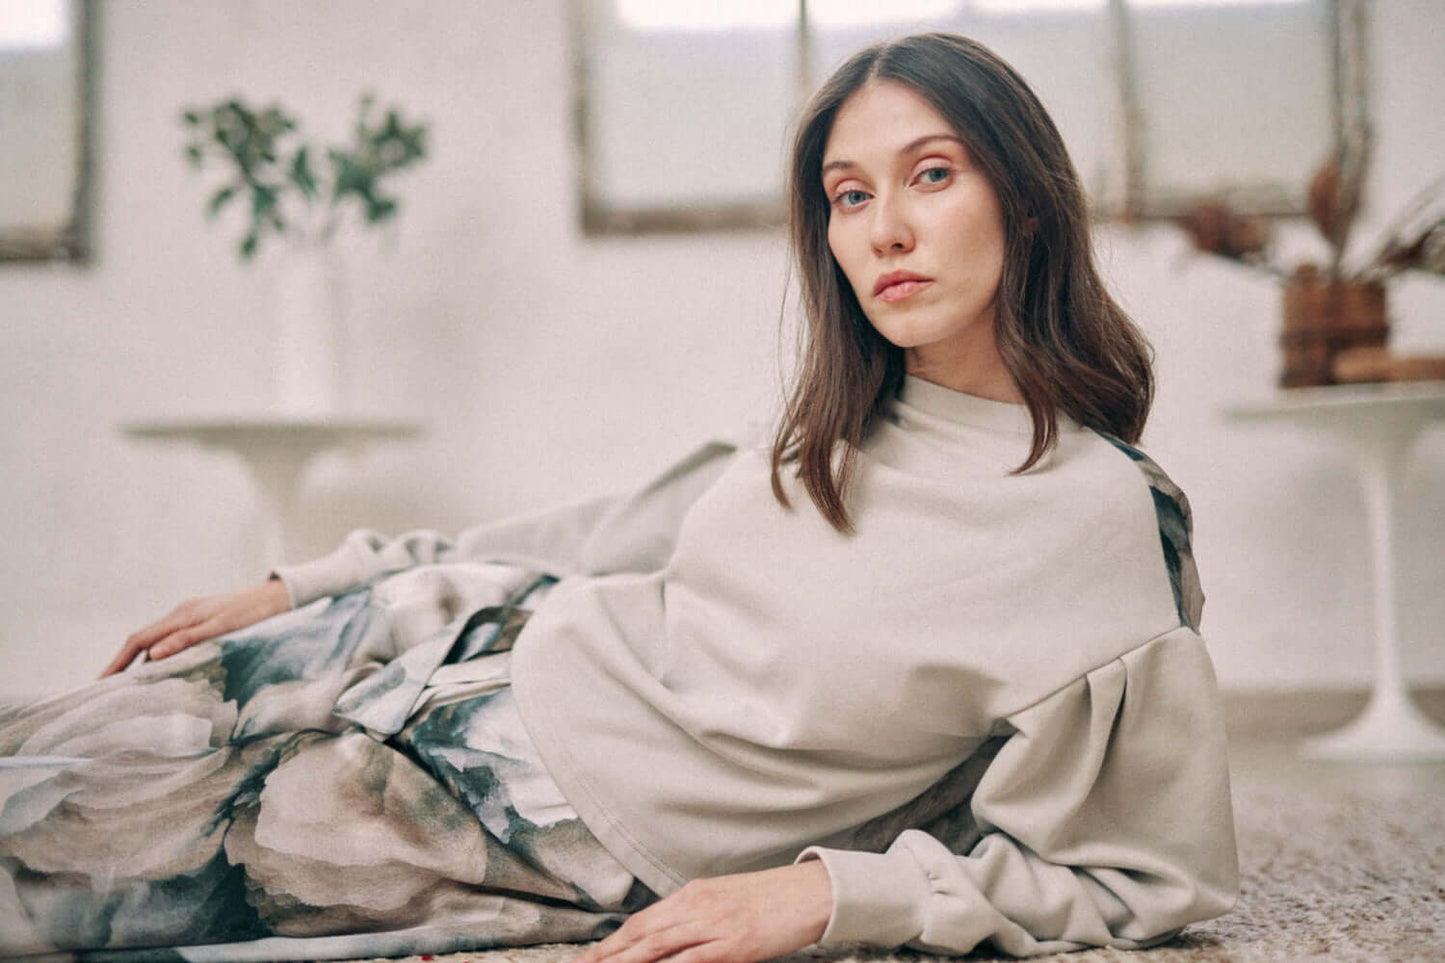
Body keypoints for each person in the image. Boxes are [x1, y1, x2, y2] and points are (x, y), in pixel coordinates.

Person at [0, 32, 1236, 962]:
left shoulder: (1090, 522)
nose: (882, 229)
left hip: (501, 817)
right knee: (45, 738)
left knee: (46, 857)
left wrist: (825, 894)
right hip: (467, 629)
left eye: (928, 176)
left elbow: (1143, 876)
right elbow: (602, 535)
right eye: (850, 195)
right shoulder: (831, 421)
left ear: (1021, 200)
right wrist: (308, 582)